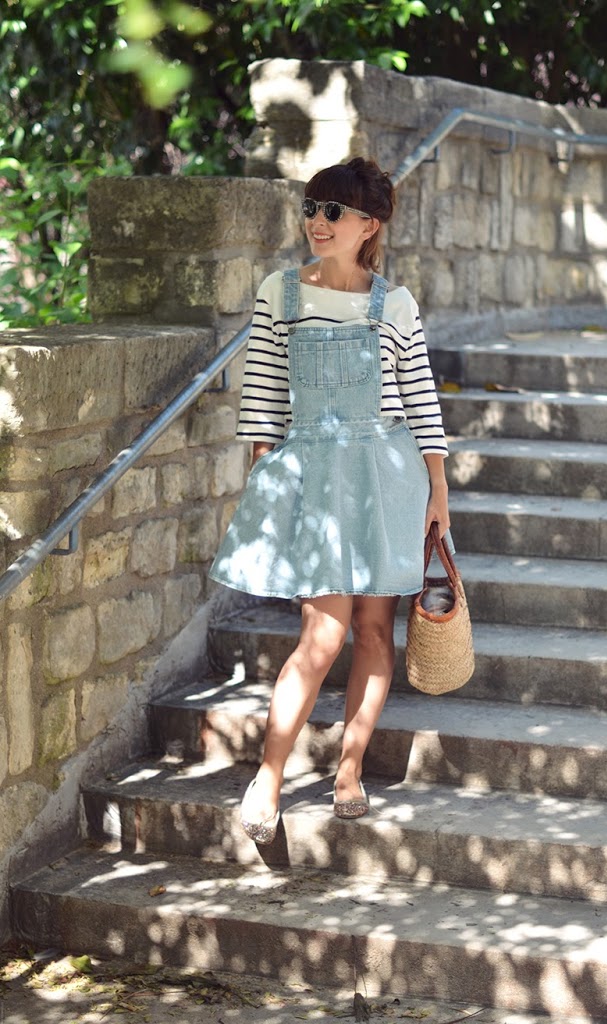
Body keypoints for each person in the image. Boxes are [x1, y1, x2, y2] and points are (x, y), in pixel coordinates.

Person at [209, 157, 451, 845]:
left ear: (368, 224)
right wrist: (267, 480)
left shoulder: (393, 303)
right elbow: (260, 400)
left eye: (333, 211)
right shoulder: (278, 294)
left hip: (388, 478)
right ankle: (268, 777)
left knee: (375, 633)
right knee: (320, 636)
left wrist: (437, 490)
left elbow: (422, 402)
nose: (317, 221)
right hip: (315, 483)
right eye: (311, 207)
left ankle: (348, 773)